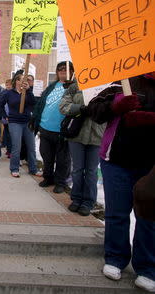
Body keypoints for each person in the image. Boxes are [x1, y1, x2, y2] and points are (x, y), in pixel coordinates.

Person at [88, 73, 155, 292]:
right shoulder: (121, 80)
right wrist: (115, 106)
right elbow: (94, 111)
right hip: (116, 160)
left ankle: (147, 267)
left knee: (149, 215)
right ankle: (115, 257)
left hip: (151, 165)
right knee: (117, 212)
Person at [59, 81, 105, 216]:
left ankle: (88, 202)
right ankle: (76, 198)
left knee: (91, 171)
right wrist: (80, 108)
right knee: (78, 169)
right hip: (76, 134)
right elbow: (63, 106)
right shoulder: (74, 86)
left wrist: (99, 109)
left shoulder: (107, 86)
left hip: (97, 135)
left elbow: (112, 109)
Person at [30, 61, 73, 193]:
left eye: (65, 70)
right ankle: (48, 177)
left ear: (71, 72)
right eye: (60, 70)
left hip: (62, 130)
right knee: (47, 156)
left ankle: (60, 182)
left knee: (62, 160)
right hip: (45, 127)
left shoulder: (75, 87)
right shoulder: (52, 86)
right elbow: (41, 103)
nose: (62, 72)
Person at [4, 73, 40, 177]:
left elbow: (34, 103)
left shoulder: (28, 92)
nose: (25, 82)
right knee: (17, 146)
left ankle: (33, 169)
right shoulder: (9, 93)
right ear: (16, 81)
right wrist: (4, 115)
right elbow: (0, 103)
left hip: (27, 122)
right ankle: (14, 168)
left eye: (26, 80)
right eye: (22, 80)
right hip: (15, 122)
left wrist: (28, 90)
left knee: (31, 146)